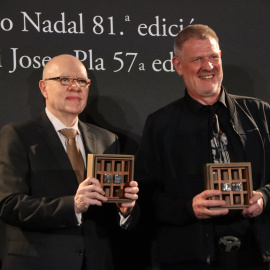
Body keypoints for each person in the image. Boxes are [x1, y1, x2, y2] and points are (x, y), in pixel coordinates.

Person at [135, 24, 270, 270]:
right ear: (177, 65)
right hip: (190, 259)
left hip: (258, 257)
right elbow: (146, 197)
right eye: (197, 59)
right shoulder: (160, 124)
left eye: (213, 57)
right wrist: (188, 208)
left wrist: (265, 196)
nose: (208, 66)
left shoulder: (261, 114)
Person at [0, 54, 139, 270]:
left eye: (82, 81)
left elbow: (112, 211)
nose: (75, 87)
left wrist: (125, 210)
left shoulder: (107, 139)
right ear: (44, 88)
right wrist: (72, 205)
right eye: (64, 80)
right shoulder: (17, 135)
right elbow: (9, 205)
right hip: (38, 262)